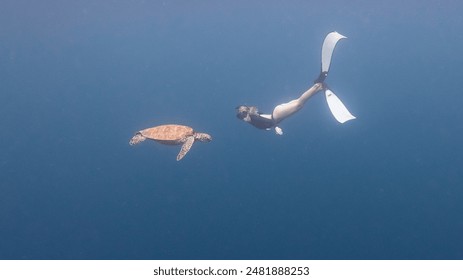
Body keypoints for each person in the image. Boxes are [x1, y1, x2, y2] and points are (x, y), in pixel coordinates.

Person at [236, 32, 355, 135]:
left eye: (242, 114)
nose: (243, 116)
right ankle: (317, 86)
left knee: (299, 103)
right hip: (277, 112)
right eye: (242, 114)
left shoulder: (251, 118)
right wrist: (273, 127)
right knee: (299, 103)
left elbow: (263, 123)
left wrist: (275, 127)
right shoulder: (253, 118)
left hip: (277, 115)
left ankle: (318, 85)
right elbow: (263, 121)